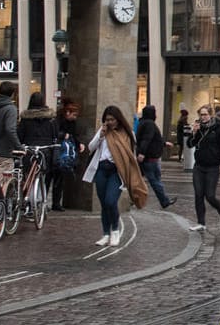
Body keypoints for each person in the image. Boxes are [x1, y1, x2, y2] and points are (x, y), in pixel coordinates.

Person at [82, 104, 147, 247]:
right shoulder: (103, 131)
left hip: (116, 172)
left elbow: (131, 155)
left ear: (118, 119)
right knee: (104, 204)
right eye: (107, 120)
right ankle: (105, 234)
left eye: (112, 119)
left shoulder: (128, 133)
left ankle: (115, 231)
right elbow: (90, 147)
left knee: (111, 201)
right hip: (101, 170)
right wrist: (100, 135)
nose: (109, 122)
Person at [187, 104, 220, 232]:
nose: (203, 117)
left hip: (212, 167)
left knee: (210, 196)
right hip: (199, 166)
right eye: (201, 114)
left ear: (210, 115)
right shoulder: (198, 128)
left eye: (205, 114)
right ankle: (201, 223)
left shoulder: (218, 128)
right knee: (198, 194)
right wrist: (193, 133)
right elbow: (190, 144)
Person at [17, 91, 60, 200]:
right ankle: (39, 201)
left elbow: (19, 136)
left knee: (28, 175)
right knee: (42, 176)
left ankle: (28, 199)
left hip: (29, 150)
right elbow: (55, 135)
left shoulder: (26, 118)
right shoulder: (51, 119)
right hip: (45, 151)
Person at [133, 104, 177, 209]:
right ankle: (164, 200)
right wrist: (142, 153)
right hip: (149, 158)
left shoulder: (143, 123)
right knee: (154, 180)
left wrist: (164, 143)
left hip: (148, 157)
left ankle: (134, 199)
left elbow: (151, 139)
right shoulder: (149, 124)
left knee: (144, 179)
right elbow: (146, 139)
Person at [51, 99, 88, 211]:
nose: (75, 117)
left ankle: (56, 203)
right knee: (51, 177)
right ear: (67, 112)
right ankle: (49, 203)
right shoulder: (57, 121)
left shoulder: (71, 123)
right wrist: (63, 135)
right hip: (56, 151)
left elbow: (74, 135)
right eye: (74, 114)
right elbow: (54, 134)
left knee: (60, 178)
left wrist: (79, 143)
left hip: (64, 154)